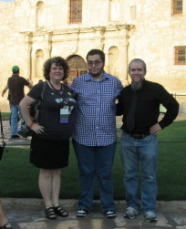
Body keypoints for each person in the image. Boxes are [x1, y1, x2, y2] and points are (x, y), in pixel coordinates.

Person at [117, 58, 179, 222]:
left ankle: (149, 208)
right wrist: (102, 103)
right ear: (129, 72)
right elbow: (119, 110)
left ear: (144, 71)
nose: (136, 73)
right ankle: (132, 206)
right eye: (133, 70)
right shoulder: (125, 91)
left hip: (147, 140)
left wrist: (162, 124)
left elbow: (173, 106)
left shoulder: (155, 89)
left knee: (149, 176)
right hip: (128, 140)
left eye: (139, 70)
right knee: (129, 175)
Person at [19, 57, 76, 220]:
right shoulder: (41, 87)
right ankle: (48, 205)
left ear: (64, 71)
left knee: (57, 172)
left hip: (62, 139)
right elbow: (23, 104)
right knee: (45, 172)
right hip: (44, 138)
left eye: (60, 68)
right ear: (48, 71)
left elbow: (66, 111)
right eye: (54, 68)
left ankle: (56, 203)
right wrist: (31, 125)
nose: (58, 71)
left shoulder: (67, 89)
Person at [71, 49, 123, 218]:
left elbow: (125, 103)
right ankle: (85, 205)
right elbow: (67, 106)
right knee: (85, 172)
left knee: (105, 173)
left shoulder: (114, 82)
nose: (93, 65)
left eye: (97, 62)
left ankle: (108, 206)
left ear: (103, 63)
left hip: (107, 136)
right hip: (82, 136)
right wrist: (63, 124)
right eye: (90, 62)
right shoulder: (78, 82)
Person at [2, 66, 32, 138]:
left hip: (12, 102)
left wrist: (3, 92)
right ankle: (22, 130)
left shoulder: (9, 79)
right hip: (21, 102)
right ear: (18, 71)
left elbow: (6, 87)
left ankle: (13, 133)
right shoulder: (21, 79)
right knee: (24, 117)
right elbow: (30, 86)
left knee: (13, 118)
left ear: (12, 71)